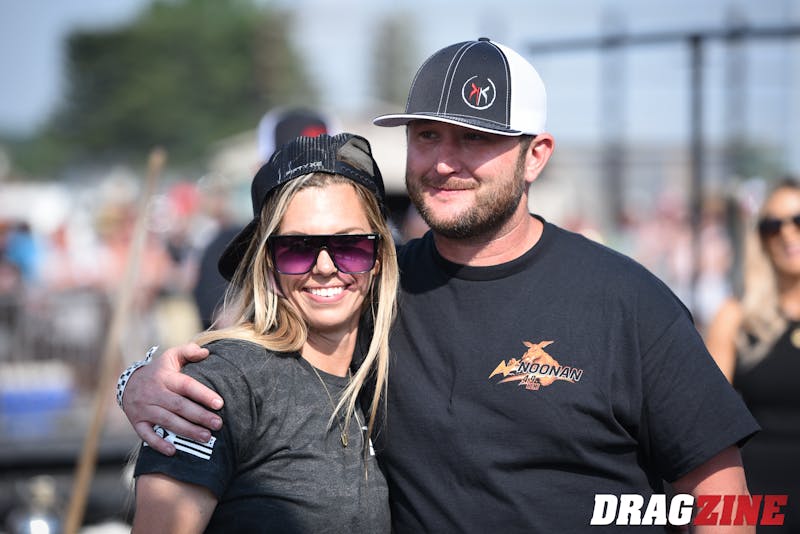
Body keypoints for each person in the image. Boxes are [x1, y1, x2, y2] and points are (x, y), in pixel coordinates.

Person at [120, 38, 760, 532]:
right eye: (428, 136)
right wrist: (142, 379)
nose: (446, 161)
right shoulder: (374, 284)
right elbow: (254, 349)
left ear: (536, 154)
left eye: (476, 137)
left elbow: (726, 504)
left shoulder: (629, 302)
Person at [130, 133, 398, 533]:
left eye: (350, 245)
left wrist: (129, 380)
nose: (326, 267)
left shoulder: (385, 366)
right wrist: (135, 378)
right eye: (298, 247)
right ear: (268, 262)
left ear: (378, 256)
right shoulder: (220, 387)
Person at [705, 178, 800, 532]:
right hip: (759, 500)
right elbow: (705, 420)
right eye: (772, 225)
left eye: (798, 221)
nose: (787, 234)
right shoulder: (735, 317)